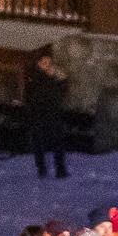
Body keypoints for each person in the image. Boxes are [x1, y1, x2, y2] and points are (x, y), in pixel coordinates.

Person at [27, 50, 70, 179]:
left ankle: (60, 170)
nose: (47, 65)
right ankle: (41, 169)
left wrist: (62, 80)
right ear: (39, 64)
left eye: (49, 63)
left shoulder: (52, 77)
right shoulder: (35, 78)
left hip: (53, 115)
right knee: (38, 144)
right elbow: (38, 95)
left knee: (58, 143)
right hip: (38, 116)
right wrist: (53, 79)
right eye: (44, 62)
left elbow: (61, 93)